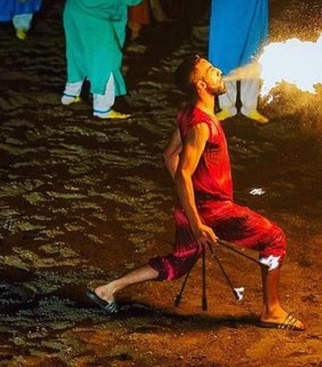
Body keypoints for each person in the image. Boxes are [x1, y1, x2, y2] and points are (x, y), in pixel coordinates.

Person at [86, 55, 306, 332]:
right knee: (274, 239)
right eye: (211, 71)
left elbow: (168, 156)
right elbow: (183, 172)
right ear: (201, 84)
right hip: (213, 210)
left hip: (193, 207)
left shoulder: (188, 113)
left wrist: (190, 205)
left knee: (179, 263)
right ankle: (271, 311)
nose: (219, 71)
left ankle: (108, 290)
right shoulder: (202, 126)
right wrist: (198, 221)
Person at [61, 0, 156, 119]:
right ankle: (102, 108)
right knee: (107, 59)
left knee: (77, 52)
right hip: (95, 17)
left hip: (73, 11)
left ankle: (70, 95)